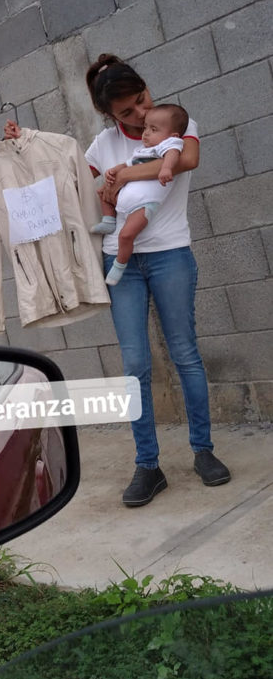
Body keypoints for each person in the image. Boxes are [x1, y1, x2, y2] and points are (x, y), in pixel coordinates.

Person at [80, 53, 230, 506]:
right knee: (134, 366)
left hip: (169, 255)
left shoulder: (176, 121)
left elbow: (185, 161)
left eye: (142, 100)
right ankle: (148, 466)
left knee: (185, 353)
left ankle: (203, 452)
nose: (141, 114)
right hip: (120, 262)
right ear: (110, 114)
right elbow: (83, 186)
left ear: (147, 87)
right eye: (127, 112)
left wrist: (122, 175)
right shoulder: (100, 145)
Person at [91, 104, 189, 286]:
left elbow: (173, 155)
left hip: (143, 206)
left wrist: (166, 168)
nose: (146, 133)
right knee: (101, 191)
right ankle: (109, 219)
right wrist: (115, 171)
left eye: (154, 129)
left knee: (126, 235)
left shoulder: (170, 144)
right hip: (124, 200)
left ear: (172, 135)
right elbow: (128, 164)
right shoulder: (142, 151)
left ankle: (119, 265)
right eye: (146, 128)